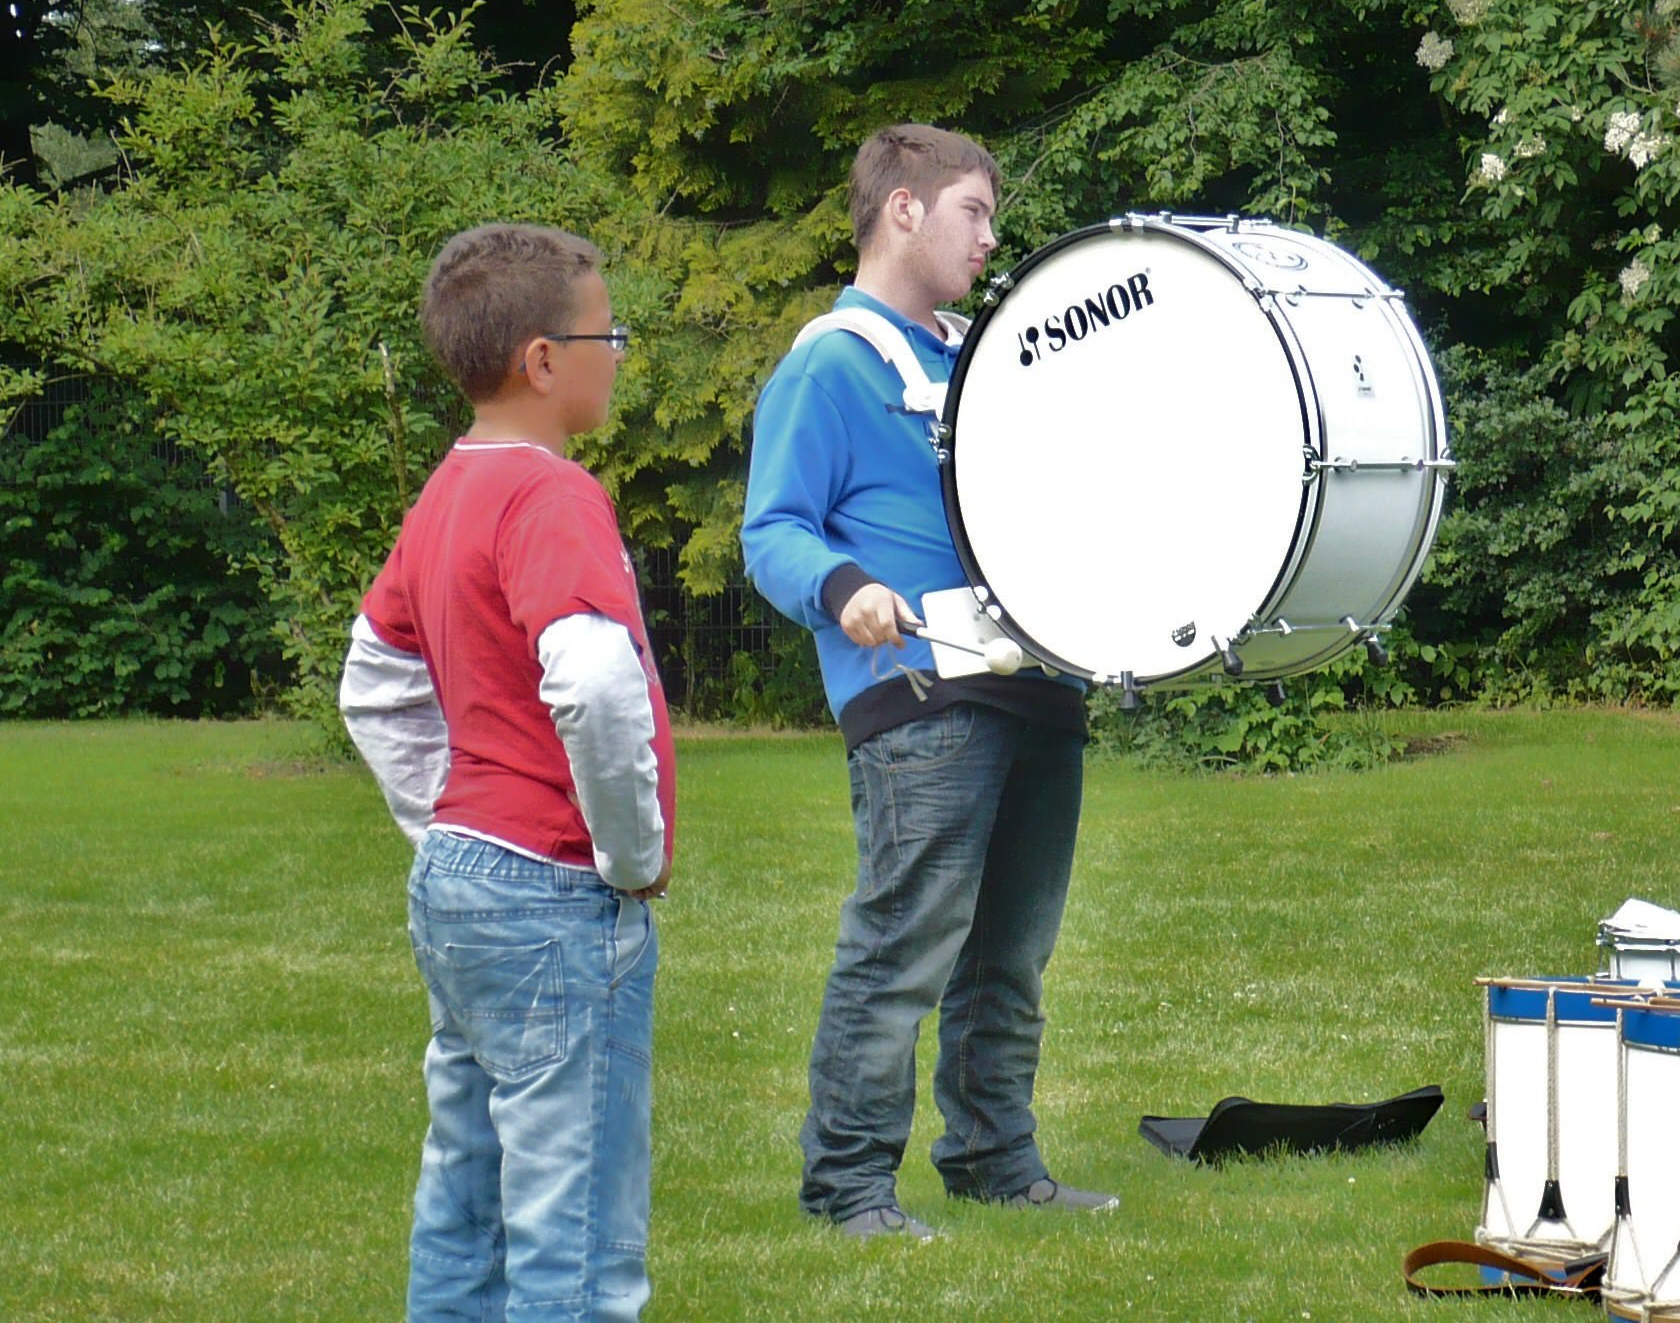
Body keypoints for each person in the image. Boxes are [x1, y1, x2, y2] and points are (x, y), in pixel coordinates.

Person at [742, 124, 1110, 1240]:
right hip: (918, 694)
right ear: (902, 209)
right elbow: (772, 530)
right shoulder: (829, 364)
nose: (991, 239)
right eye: (973, 213)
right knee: (902, 947)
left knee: (1011, 955)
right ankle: (848, 1186)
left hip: (1037, 682)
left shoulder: (986, 359)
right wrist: (843, 584)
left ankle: (994, 1159)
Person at [338, 223, 676, 1320]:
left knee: (465, 1205)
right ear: (541, 360)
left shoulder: (447, 490)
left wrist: (447, 823)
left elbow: (372, 679)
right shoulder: (551, 495)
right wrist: (630, 853)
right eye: (606, 335)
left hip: (460, 885)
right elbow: (596, 681)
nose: (616, 353)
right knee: (574, 1245)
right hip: (554, 889)